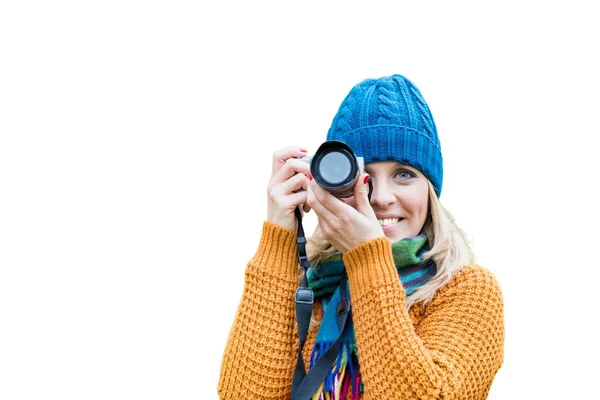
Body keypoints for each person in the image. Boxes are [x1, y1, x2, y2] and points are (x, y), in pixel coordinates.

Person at [217, 74, 504, 399]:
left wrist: (367, 258)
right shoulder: (310, 286)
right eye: (364, 178)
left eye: (404, 174)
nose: (381, 197)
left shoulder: (466, 291)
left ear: (430, 189)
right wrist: (279, 239)